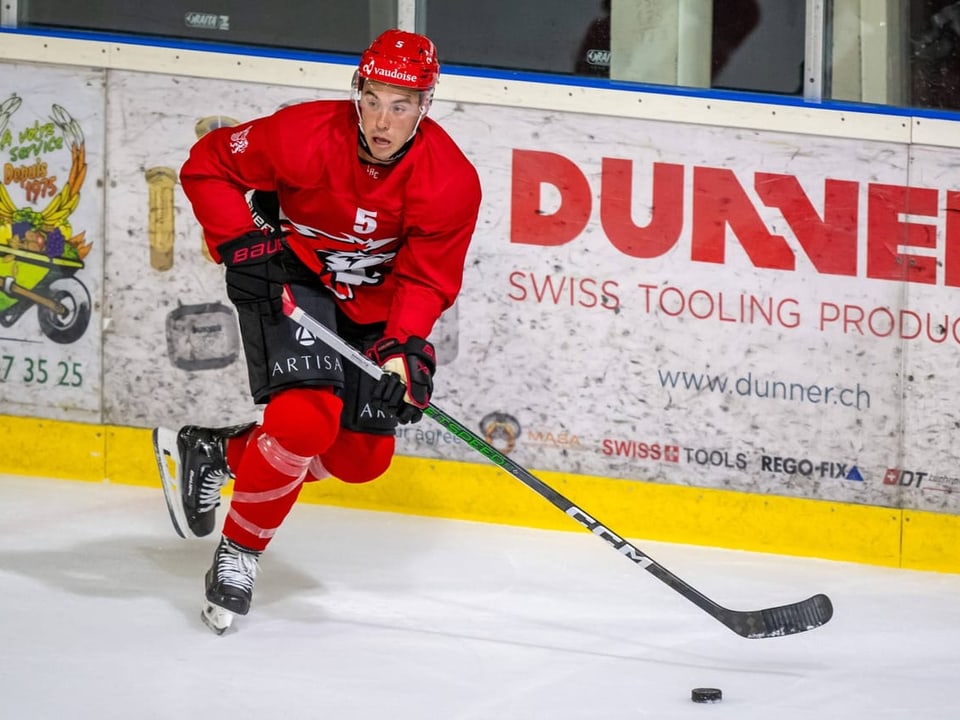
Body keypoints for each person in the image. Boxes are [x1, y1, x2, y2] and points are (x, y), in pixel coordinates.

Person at [152, 28, 482, 634]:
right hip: (293, 280)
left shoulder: (451, 181)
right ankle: (238, 555)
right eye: (374, 98)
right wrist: (241, 244)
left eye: (402, 105)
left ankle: (217, 451)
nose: (383, 121)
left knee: (361, 457)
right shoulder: (300, 133)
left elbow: (427, 279)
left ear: (425, 107)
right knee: (306, 419)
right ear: (357, 90)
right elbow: (208, 166)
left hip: (372, 307)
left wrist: (404, 351)